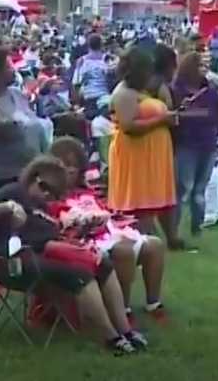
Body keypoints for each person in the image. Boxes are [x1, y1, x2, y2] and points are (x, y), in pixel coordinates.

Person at [0, 156, 148, 355]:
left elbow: (53, 237)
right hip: (11, 262)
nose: (47, 194)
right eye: (43, 186)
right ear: (33, 177)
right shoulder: (14, 191)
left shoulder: (44, 207)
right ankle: (111, 338)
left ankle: (126, 330)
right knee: (80, 276)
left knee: (103, 264)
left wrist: (80, 230)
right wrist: (7, 207)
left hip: (45, 255)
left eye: (53, 192)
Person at [52, 137, 168, 322]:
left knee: (155, 245)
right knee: (124, 251)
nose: (70, 169)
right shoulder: (53, 198)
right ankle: (122, 309)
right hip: (83, 241)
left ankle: (153, 303)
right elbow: (61, 223)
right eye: (65, 165)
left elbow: (107, 212)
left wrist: (104, 217)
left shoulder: (88, 192)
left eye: (74, 164)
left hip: (108, 233)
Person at [107, 47, 177, 240]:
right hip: (134, 152)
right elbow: (129, 126)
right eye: (147, 69)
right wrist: (162, 120)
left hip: (152, 152)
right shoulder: (124, 93)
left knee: (156, 196)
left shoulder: (143, 91)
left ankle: (169, 236)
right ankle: (144, 234)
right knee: (140, 197)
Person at [171, 52, 218, 241]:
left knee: (200, 191)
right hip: (186, 145)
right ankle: (174, 233)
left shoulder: (211, 90)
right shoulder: (177, 89)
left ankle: (196, 231)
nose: (205, 71)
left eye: (207, 67)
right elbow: (173, 115)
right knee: (183, 190)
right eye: (201, 66)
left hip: (208, 145)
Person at [0, 48, 41, 192]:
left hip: (29, 171)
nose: (13, 70)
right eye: (8, 67)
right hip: (1, 177)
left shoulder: (16, 94)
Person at [72, 33, 112, 114]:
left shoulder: (81, 61)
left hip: (88, 99)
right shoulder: (108, 59)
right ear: (101, 45)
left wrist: (77, 104)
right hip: (106, 98)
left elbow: (76, 84)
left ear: (88, 45)